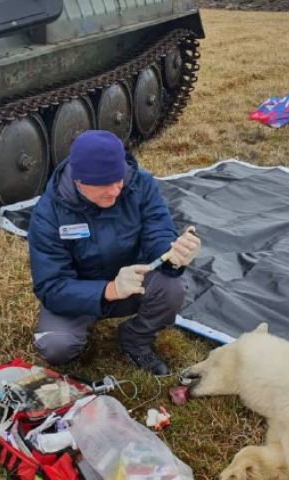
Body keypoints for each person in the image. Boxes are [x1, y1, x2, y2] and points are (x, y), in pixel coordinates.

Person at [27, 130, 201, 376]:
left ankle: (135, 338)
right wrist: (109, 290)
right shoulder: (48, 213)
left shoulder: (139, 185)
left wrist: (172, 253)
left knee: (172, 288)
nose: (115, 191)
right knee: (56, 347)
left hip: (133, 282)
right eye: (103, 186)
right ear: (79, 181)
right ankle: (79, 327)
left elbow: (158, 231)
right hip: (78, 293)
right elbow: (50, 286)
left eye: (118, 180)